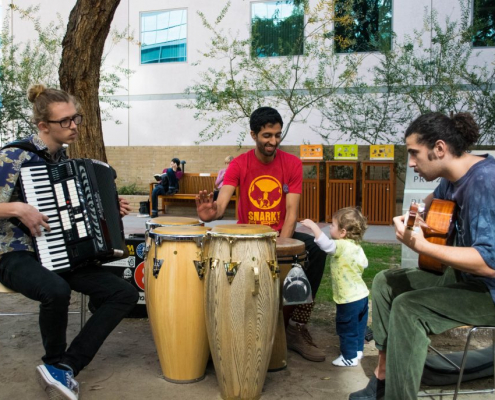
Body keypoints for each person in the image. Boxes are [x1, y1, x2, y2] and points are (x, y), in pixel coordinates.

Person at [0, 84, 139, 400]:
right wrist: (18, 207)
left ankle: (64, 367)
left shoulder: (62, 161)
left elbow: (73, 210)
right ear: (43, 126)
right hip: (13, 253)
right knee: (56, 290)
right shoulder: (13, 157)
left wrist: (106, 206)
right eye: (65, 121)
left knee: (123, 292)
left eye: (75, 118)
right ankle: (53, 362)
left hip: (55, 251)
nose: (74, 125)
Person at [349, 112, 495, 400]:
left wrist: (423, 247)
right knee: (385, 282)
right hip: (464, 278)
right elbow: (428, 206)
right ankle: (384, 376)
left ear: (439, 148)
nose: (412, 162)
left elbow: (489, 264)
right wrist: (409, 217)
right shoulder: (453, 178)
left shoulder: (485, 183)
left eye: (415, 153)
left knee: (409, 308)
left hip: (488, 290)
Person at [196, 106, 327, 362]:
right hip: (248, 236)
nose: (273, 141)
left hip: (280, 235)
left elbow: (291, 212)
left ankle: (294, 327)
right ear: (253, 134)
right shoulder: (239, 164)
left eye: (277, 135)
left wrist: (280, 247)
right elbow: (220, 206)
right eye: (267, 135)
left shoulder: (292, 164)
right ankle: (235, 325)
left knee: (317, 249)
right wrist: (208, 214)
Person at [300, 207, 369, 367]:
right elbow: (365, 264)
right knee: (358, 327)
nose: (330, 228)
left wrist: (313, 226)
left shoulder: (342, 246)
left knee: (346, 328)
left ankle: (349, 357)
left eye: (332, 225)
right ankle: (357, 352)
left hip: (348, 299)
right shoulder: (357, 248)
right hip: (362, 296)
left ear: (343, 232)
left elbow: (326, 245)